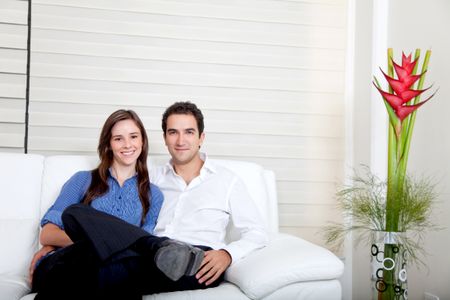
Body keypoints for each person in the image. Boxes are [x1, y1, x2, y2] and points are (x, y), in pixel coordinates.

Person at [29, 109, 205, 299]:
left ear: (142, 142)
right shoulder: (83, 180)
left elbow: (136, 250)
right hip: (63, 262)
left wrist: (106, 246)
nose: (127, 144)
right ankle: (159, 245)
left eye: (133, 137)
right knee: (75, 213)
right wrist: (95, 241)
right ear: (108, 144)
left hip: (105, 271)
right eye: (118, 138)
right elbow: (47, 234)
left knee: (124, 271)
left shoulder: (152, 194)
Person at [152, 101, 268, 287]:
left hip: (199, 259)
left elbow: (257, 232)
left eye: (189, 132)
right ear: (165, 138)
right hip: (154, 252)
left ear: (201, 138)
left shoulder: (227, 180)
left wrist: (227, 254)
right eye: (173, 132)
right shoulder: (153, 178)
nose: (180, 141)